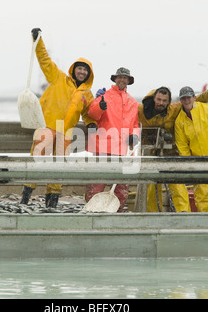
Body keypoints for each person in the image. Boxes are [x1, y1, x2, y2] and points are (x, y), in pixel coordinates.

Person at [20, 28, 96, 208]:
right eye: (79, 68)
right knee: (37, 163)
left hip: (66, 133)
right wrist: (38, 41)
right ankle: (24, 199)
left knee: (59, 169)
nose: (82, 72)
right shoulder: (58, 77)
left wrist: (91, 124)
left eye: (85, 70)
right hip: (46, 126)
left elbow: (88, 113)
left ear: (89, 74)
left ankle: (51, 203)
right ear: (74, 69)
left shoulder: (87, 93)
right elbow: (44, 60)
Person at [139, 83, 208, 212]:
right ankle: (153, 215)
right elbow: (123, 111)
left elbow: (194, 100)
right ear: (154, 98)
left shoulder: (174, 109)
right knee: (150, 188)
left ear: (169, 102)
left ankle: (184, 214)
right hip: (151, 153)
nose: (161, 103)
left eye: (164, 101)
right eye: (159, 99)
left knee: (177, 186)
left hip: (171, 153)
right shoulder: (140, 111)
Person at [85, 67, 140, 212]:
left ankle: (118, 210)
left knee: (122, 186)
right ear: (115, 79)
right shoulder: (104, 95)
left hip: (123, 150)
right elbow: (92, 114)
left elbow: (135, 124)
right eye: (120, 77)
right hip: (103, 147)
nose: (122, 80)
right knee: (97, 183)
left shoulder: (133, 103)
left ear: (128, 81)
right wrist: (99, 106)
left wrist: (135, 136)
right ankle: (92, 210)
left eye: (125, 78)